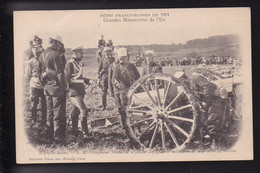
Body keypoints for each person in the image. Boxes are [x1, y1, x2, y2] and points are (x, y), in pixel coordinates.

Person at [39, 37, 67, 145]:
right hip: (55, 87)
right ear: (54, 43)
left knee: (49, 112)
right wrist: (65, 87)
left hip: (47, 87)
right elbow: (60, 74)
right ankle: (59, 138)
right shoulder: (55, 55)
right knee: (58, 112)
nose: (59, 46)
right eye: (58, 44)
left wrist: (44, 85)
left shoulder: (41, 55)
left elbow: (39, 73)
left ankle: (49, 136)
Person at [65, 46, 93, 138]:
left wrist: (88, 81)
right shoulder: (70, 64)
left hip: (80, 91)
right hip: (74, 92)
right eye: (81, 53)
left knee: (76, 111)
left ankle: (75, 131)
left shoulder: (77, 63)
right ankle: (85, 133)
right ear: (76, 53)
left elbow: (79, 77)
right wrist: (80, 83)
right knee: (83, 111)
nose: (82, 55)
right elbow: (67, 79)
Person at [191, 71, 225, 149]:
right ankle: (207, 140)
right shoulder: (191, 82)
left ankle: (214, 143)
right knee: (205, 120)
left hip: (213, 101)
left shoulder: (196, 78)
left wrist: (206, 100)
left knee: (212, 119)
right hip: (210, 100)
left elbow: (207, 85)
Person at [111, 47, 140, 132]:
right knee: (124, 109)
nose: (121, 60)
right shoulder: (117, 67)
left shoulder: (131, 65)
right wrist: (120, 87)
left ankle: (136, 124)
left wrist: (137, 85)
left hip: (134, 89)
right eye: (120, 58)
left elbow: (138, 76)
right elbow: (114, 79)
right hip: (123, 92)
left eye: (123, 58)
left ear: (126, 57)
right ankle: (126, 126)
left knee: (136, 108)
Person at [25, 44, 46, 127]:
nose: (37, 54)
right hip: (34, 84)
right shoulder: (30, 62)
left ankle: (43, 121)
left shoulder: (44, 62)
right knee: (34, 102)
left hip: (43, 85)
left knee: (44, 103)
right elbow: (28, 75)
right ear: (33, 53)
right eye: (35, 53)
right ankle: (34, 120)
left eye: (39, 53)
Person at [97, 46, 114, 110]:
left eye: (109, 52)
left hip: (112, 77)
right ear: (104, 53)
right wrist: (98, 79)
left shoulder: (113, 59)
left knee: (114, 91)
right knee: (104, 92)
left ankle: (117, 105)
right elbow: (98, 70)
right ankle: (104, 106)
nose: (107, 53)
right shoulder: (102, 60)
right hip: (104, 78)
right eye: (106, 52)